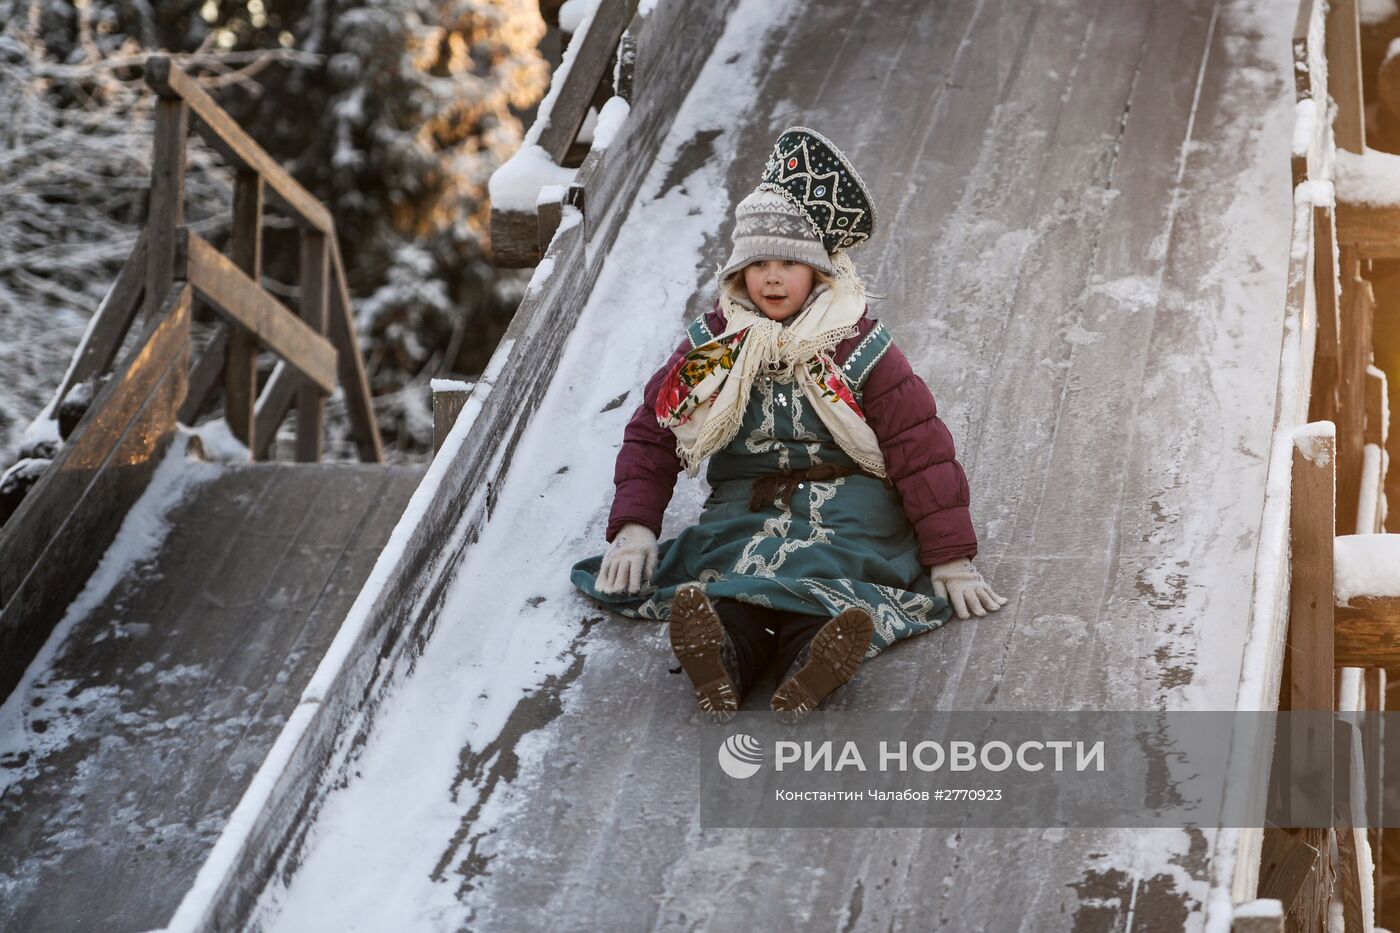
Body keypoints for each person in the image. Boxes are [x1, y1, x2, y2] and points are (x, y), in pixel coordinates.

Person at [570, 126, 1007, 722]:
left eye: (789, 264)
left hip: (851, 504)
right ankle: (721, 654)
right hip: (747, 504)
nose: (772, 278)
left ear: (820, 273)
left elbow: (919, 446)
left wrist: (949, 554)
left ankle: (814, 657)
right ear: (737, 272)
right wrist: (636, 527)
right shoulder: (714, 346)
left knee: (825, 566)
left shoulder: (856, 347)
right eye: (758, 265)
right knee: (735, 570)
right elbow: (656, 430)